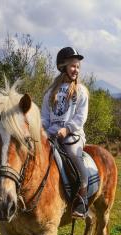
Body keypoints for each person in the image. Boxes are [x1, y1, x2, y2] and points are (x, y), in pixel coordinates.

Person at [41, 46, 89, 218]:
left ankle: (82, 197)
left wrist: (66, 129)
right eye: (73, 66)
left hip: (73, 136)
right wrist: (43, 131)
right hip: (52, 134)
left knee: (74, 155)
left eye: (78, 66)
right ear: (63, 67)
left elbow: (80, 117)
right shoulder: (49, 93)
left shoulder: (81, 91)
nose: (76, 70)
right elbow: (45, 117)